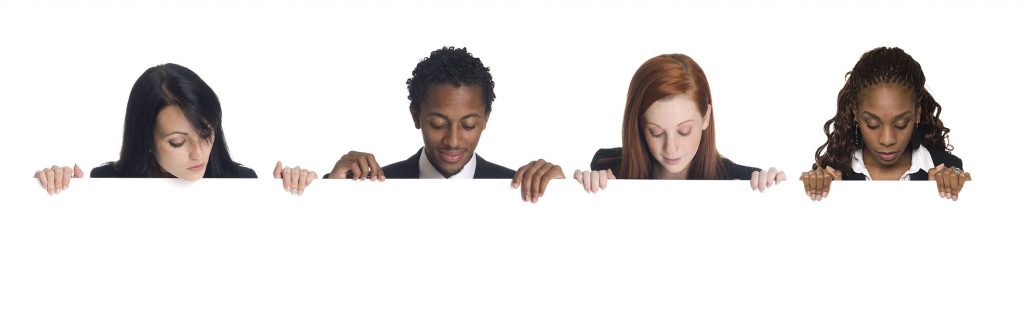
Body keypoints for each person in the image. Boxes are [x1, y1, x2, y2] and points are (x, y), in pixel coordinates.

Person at [34, 63, 316, 195]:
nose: (199, 154)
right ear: (147, 140)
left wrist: (299, 191)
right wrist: (59, 194)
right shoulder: (106, 181)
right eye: (178, 143)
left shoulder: (241, 181)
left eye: (206, 134)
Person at [324, 47, 563, 202]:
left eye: (468, 125)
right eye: (438, 124)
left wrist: (567, 200)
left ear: (486, 118)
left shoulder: (522, 191)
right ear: (416, 115)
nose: (453, 141)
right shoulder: (367, 190)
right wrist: (327, 194)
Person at [575, 54, 785, 192]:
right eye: (656, 132)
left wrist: (780, 192)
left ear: (705, 117)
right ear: (638, 125)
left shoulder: (746, 181)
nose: (671, 148)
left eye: (684, 131)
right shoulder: (606, 166)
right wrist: (589, 194)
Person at [800, 47, 970, 201]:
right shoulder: (830, 174)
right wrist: (824, 199)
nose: (887, 140)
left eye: (901, 124)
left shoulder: (947, 168)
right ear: (855, 112)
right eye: (873, 124)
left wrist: (952, 195)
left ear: (917, 112)